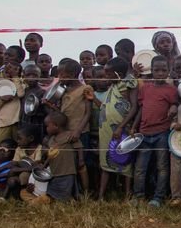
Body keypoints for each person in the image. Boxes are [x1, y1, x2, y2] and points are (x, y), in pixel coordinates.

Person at [131, 55, 178, 207]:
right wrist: (134, 127)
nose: (160, 73)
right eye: (156, 70)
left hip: (162, 133)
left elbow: (175, 106)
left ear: (168, 71)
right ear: (152, 70)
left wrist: (172, 108)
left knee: (162, 167)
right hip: (144, 133)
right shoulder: (145, 88)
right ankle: (138, 196)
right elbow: (140, 109)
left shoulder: (171, 90)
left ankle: (158, 197)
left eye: (163, 70)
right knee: (140, 168)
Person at [96, 57, 138, 200]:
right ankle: (101, 196)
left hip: (120, 129)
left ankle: (127, 194)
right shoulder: (113, 86)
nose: (106, 76)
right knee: (105, 161)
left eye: (108, 73)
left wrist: (120, 127)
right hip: (106, 130)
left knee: (125, 161)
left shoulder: (127, 84)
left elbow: (133, 107)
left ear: (118, 73)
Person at [56, 60, 92, 192]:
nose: (59, 78)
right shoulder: (63, 91)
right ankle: (74, 192)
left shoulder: (85, 89)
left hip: (80, 132)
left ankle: (86, 192)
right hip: (66, 132)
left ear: (73, 74)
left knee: (81, 163)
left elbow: (88, 113)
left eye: (62, 75)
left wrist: (78, 130)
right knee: (70, 164)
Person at [40, 111, 77, 203]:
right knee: (53, 193)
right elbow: (51, 155)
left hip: (67, 171)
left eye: (47, 126)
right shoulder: (52, 140)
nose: (46, 129)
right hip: (55, 172)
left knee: (64, 193)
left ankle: (70, 200)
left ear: (56, 126)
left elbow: (79, 148)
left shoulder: (70, 136)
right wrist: (44, 165)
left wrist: (80, 160)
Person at [0, 61, 25, 145]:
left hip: (16, 123)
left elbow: (20, 94)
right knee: (3, 147)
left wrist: (15, 77)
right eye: (7, 71)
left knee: (17, 147)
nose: (10, 72)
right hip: (3, 123)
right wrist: (1, 99)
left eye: (15, 70)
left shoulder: (21, 85)